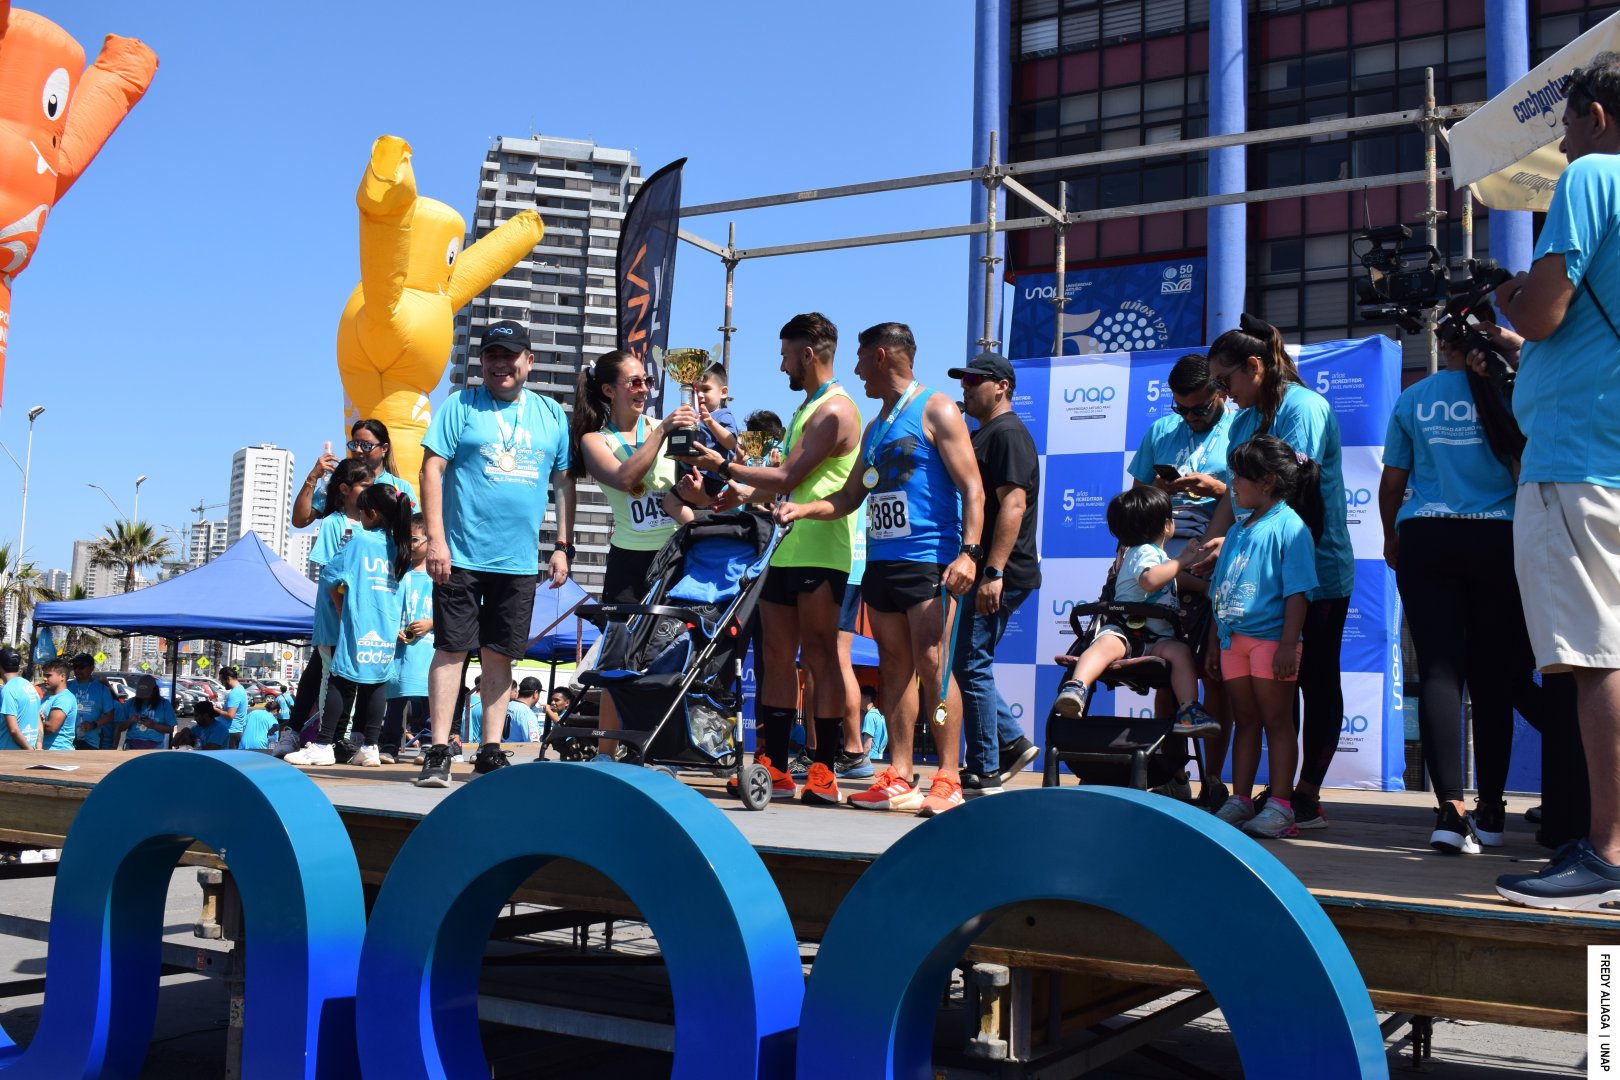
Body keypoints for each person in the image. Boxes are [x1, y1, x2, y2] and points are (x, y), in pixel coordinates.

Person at [1491, 53, 1620, 911]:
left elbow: (1543, 310)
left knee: (1597, 657)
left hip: (1579, 457)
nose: (1563, 144)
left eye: (1567, 124)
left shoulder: (1595, 175)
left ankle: (1609, 855)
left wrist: (1509, 299)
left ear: (1596, 115)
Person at [776, 321, 985, 816]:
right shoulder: (874, 427)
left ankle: (949, 776)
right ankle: (900, 772)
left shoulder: (936, 408)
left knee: (934, 666)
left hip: (929, 558)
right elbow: (850, 496)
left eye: (860, 358)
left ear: (882, 356)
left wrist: (970, 553)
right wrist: (803, 508)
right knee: (893, 669)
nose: (855, 370)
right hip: (882, 561)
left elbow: (973, 487)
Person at [680, 313, 868, 805]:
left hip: (822, 551)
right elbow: (778, 484)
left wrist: (723, 464)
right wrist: (740, 494)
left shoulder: (836, 410)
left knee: (821, 658)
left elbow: (788, 478)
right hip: (780, 549)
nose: (781, 365)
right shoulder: (807, 407)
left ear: (808, 354)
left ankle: (824, 767)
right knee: (777, 659)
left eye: (786, 355)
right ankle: (777, 766)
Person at [1200, 314, 1352, 830]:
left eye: (1226, 381)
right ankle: (1266, 794)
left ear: (1255, 366)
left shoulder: (1303, 407)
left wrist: (1252, 545)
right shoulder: (1242, 421)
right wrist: (1209, 546)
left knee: (1315, 678)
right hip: (1255, 586)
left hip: (1315, 572)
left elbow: (1297, 494)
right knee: (1271, 691)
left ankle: (1303, 796)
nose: (1222, 394)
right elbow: (1232, 495)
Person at [1380, 335, 1530, 854]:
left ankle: (1449, 812)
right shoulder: (1508, 390)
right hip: (1500, 539)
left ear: (1443, 343)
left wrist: (1391, 536)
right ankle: (1492, 810)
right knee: (1494, 678)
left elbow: (1392, 483)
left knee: (1441, 672)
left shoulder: (1415, 397)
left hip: (1427, 537)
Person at [416, 321, 576, 787]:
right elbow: (431, 469)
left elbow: (563, 482)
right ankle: (438, 750)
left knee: (500, 654)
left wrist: (562, 546)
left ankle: (489, 749)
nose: (500, 364)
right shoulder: (460, 405)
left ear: (529, 360)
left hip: (518, 561)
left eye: (510, 355)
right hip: (460, 555)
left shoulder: (551, 413)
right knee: (450, 649)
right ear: (482, 361)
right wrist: (436, 539)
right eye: (492, 356)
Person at [570, 348, 698, 759]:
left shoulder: (664, 428)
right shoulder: (595, 440)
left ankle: (661, 749)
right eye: (634, 382)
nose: (644, 389)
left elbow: (691, 490)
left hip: (674, 559)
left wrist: (695, 488)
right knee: (617, 660)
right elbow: (626, 478)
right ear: (609, 390)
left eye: (647, 381)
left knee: (670, 655)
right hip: (628, 562)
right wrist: (661, 432)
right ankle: (607, 752)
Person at [1128, 352, 1234, 806]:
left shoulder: (1242, 429)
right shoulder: (1160, 432)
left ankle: (1214, 781)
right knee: (1168, 671)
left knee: (1216, 675)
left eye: (1200, 409)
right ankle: (1172, 775)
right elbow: (1135, 504)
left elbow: (1258, 500)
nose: (1190, 417)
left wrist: (1217, 490)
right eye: (1182, 409)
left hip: (1220, 560)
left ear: (1221, 392)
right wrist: (1160, 490)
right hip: (1164, 563)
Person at [1207, 436, 1321, 839]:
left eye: (1240, 476)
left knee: (1276, 721)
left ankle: (1281, 806)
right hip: (1233, 640)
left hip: (1272, 642)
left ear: (1268, 480)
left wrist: (1289, 643)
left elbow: (1298, 592)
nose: (1232, 484)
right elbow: (1219, 590)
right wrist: (1215, 641)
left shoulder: (1291, 528)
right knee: (1246, 721)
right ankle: (1240, 799)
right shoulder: (1238, 529)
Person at [949, 351, 1043, 796]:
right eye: (963, 381)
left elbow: (1014, 504)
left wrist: (993, 571)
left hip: (1000, 570)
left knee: (971, 662)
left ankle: (986, 767)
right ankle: (1010, 742)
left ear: (1001, 386)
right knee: (968, 661)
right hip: (990, 567)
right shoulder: (986, 433)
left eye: (974, 381)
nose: (965, 388)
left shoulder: (1006, 433)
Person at [1050, 487, 1217, 737]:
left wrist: (1202, 587)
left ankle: (1188, 709)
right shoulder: (1144, 551)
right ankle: (1077, 686)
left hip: (1157, 638)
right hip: (1126, 630)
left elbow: (1171, 577)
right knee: (1106, 644)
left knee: (1180, 652)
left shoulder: (1150, 555)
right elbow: (1151, 580)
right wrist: (1182, 559)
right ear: (1167, 525)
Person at [288, 485, 413, 768]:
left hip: (359, 622)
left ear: (372, 513)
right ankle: (370, 746)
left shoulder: (359, 541)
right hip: (386, 626)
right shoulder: (401, 547)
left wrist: (339, 606)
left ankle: (323, 745)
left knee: (340, 679)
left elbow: (330, 576)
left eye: (362, 512)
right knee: (376, 684)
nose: (359, 517)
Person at [287, 459, 374, 737]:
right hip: (335, 617)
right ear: (345, 489)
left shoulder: (374, 526)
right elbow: (328, 574)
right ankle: (327, 738)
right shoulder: (334, 522)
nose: (370, 491)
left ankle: (344, 737)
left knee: (355, 679)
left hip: (363, 617)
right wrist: (339, 607)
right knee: (331, 676)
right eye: (365, 486)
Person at [291, 418, 419, 529]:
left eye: (366, 445)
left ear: (384, 448)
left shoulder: (400, 487)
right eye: (354, 444)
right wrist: (312, 477)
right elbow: (300, 521)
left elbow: (414, 528)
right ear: (344, 489)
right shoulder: (338, 483)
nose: (358, 450)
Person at [382, 513, 433, 763]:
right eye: (406, 539)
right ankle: (389, 744)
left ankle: (429, 743)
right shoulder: (399, 573)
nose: (409, 545)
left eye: (414, 539)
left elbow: (453, 610)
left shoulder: (438, 574)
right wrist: (393, 630)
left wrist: (431, 623)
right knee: (395, 699)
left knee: (429, 699)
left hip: (429, 649)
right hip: (399, 650)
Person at [691, 362, 741, 498]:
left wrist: (710, 422)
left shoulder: (723, 415)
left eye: (706, 389)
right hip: (693, 471)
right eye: (695, 390)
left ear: (723, 392)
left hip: (711, 476)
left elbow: (731, 443)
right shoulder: (694, 416)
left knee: (672, 502)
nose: (699, 395)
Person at [67, 653, 119, 750]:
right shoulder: (67, 686)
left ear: (91, 668)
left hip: (90, 741)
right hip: (67, 740)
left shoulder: (102, 689)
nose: (77, 670)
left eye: (81, 666)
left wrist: (93, 725)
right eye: (75, 667)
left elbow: (109, 715)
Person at [117, 674, 177, 750]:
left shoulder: (164, 704)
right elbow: (119, 727)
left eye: (146, 695)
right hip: (131, 744)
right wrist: (130, 721)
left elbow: (170, 729)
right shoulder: (130, 703)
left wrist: (153, 725)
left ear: (154, 691)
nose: (143, 698)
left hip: (155, 746)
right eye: (141, 695)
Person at [0, 648, 38, 751]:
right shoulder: (29, 686)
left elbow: (13, 729)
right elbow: (38, 719)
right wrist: (37, 746)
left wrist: (30, 750)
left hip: (10, 753)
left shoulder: (8, 690)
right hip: (29, 750)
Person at [37, 659, 76, 752]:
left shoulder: (64, 698)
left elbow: (51, 728)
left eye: (48, 675)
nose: (44, 679)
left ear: (62, 676)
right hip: (45, 751)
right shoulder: (47, 698)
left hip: (59, 752)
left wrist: (33, 720)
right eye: (44, 675)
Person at [219, 666, 249, 749]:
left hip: (231, 731)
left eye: (222, 680)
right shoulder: (240, 689)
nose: (221, 683)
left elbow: (230, 715)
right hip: (234, 731)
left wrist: (216, 710)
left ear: (228, 678)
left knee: (228, 756)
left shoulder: (235, 693)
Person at [506, 677, 542, 743]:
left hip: (500, 747)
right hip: (516, 749)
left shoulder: (507, 705)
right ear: (535, 693)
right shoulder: (527, 714)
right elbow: (533, 744)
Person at [859, 684, 887, 761]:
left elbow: (867, 747)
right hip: (878, 759)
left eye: (859, 696)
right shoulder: (879, 715)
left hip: (870, 760)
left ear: (867, 698)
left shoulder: (869, 716)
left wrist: (859, 763)